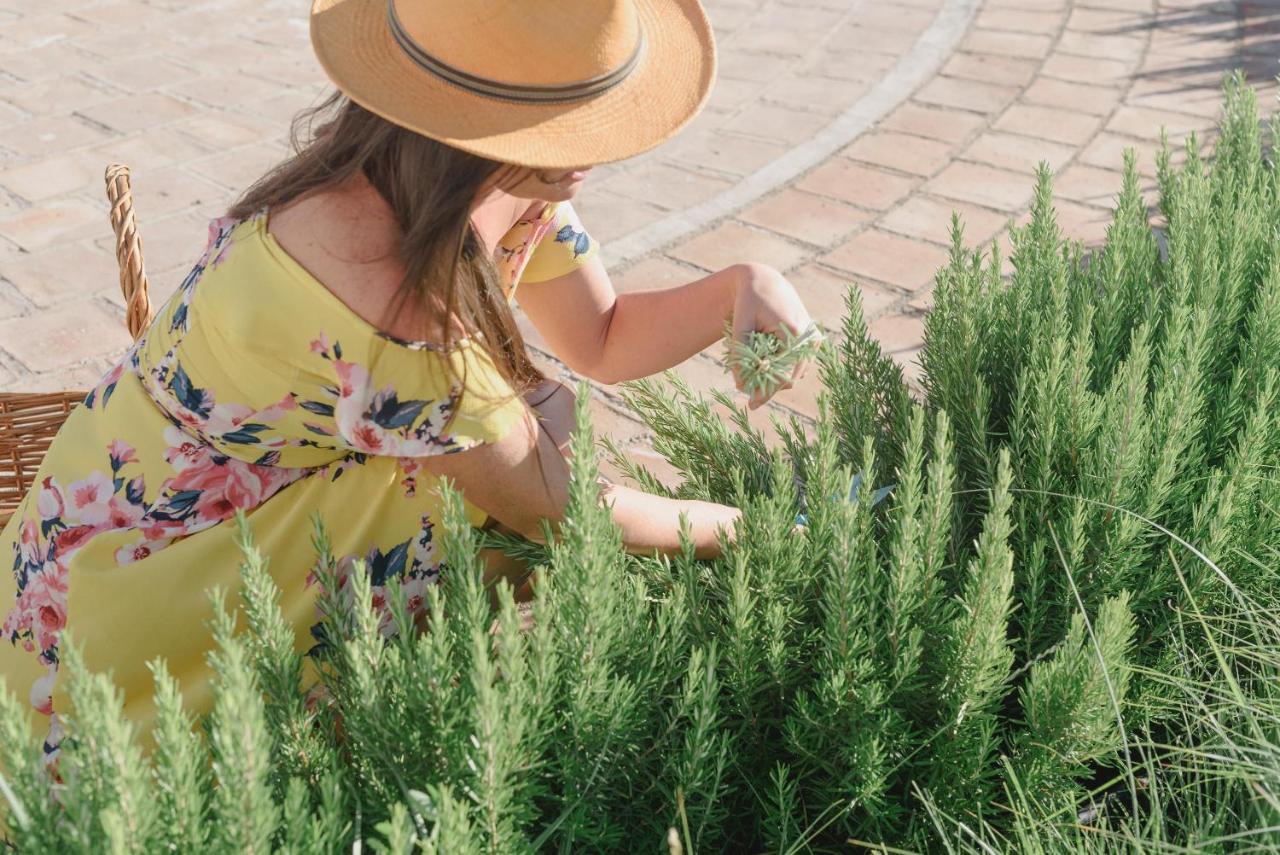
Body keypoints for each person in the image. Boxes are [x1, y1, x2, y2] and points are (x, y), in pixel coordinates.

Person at [0, 0, 814, 764]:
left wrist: (739, 286)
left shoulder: (475, 179)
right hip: (144, 623)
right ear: (479, 118)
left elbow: (600, 335)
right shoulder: (390, 307)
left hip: (181, 518)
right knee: (484, 476)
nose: (594, 147)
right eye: (564, 117)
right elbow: (559, 505)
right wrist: (749, 528)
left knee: (511, 428)